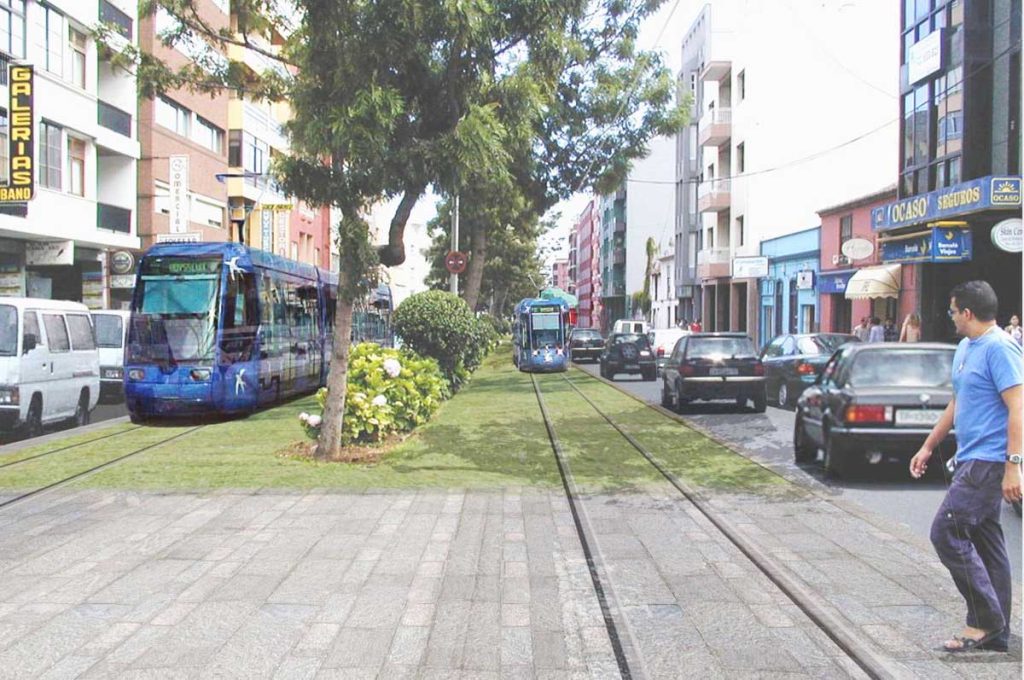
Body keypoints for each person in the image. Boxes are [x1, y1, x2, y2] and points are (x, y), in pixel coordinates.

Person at [910, 280, 1022, 653]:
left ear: (968, 313)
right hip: (970, 458)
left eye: (953, 311)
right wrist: (929, 445)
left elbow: (1018, 406)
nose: (952, 317)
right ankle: (998, 632)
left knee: (947, 532)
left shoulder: (1000, 348)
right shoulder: (965, 347)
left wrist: (1013, 465)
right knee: (987, 542)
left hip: (988, 462)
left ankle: (984, 620)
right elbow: (959, 402)